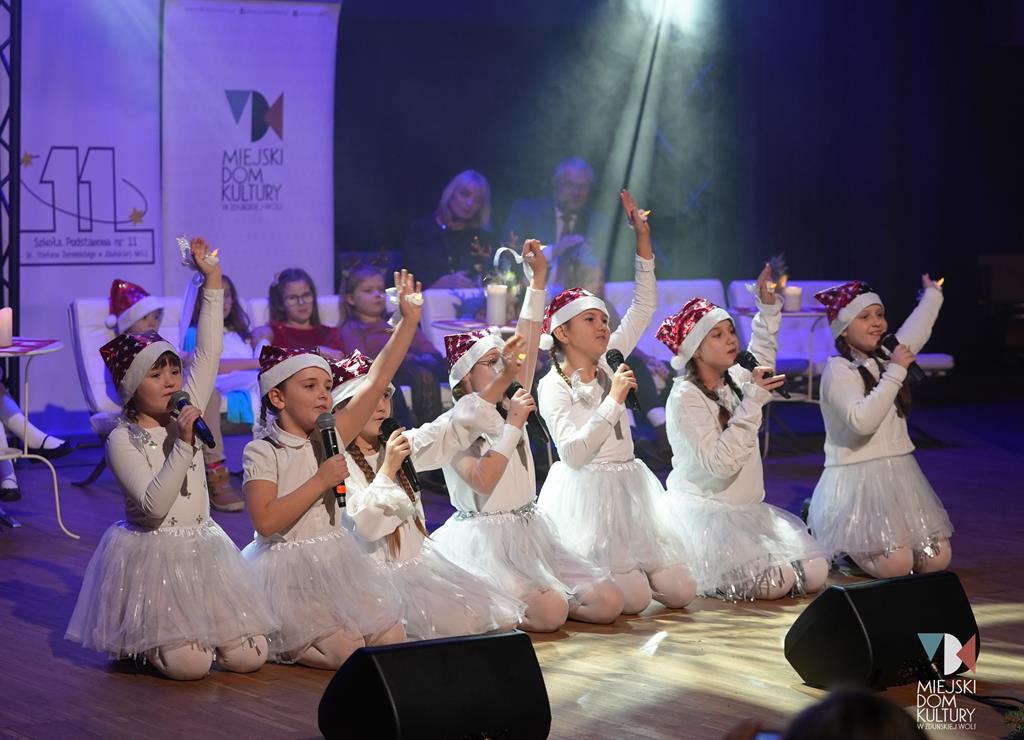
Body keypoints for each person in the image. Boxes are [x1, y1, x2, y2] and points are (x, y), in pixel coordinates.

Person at [66, 239, 276, 681]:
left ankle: (201, 627)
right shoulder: (122, 438)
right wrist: (183, 443)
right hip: (156, 557)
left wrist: (211, 280)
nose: (170, 381)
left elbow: (209, 352)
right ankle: (142, 642)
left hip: (203, 547)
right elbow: (154, 507)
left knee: (250, 656)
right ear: (130, 386)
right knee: (191, 667)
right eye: (155, 374)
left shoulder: (186, 403)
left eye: (173, 371)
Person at [431, 240, 624, 632]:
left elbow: (528, 339)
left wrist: (538, 280)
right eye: (491, 363)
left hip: (529, 530)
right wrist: (512, 427)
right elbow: (482, 481)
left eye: (503, 362)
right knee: (550, 613)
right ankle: (516, 604)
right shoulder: (455, 424)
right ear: (465, 379)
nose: (503, 368)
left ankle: (545, 599)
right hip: (487, 540)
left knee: (609, 601)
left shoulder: (511, 401)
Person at [240, 270, 423, 669]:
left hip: (333, 560)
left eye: (326, 386)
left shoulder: (331, 434)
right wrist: (320, 480)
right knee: (349, 652)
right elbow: (266, 521)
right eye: (310, 386)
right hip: (288, 570)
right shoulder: (263, 450)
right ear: (277, 397)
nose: (324, 394)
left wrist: (407, 322)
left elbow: (377, 379)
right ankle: (283, 640)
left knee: (393, 635)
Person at [535, 190, 696, 615]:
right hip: (587, 494)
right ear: (563, 333)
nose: (604, 327)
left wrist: (642, 238)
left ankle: (628, 575)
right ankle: (571, 593)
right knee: (632, 599)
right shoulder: (552, 385)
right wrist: (612, 401)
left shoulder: (610, 358)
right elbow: (573, 455)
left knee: (681, 590)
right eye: (590, 319)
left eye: (605, 319)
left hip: (628, 485)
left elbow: (644, 305)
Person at [655, 267, 829, 601]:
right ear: (695, 349)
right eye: (717, 335)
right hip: (711, 515)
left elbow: (760, 356)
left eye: (731, 331)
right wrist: (753, 402)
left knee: (816, 571)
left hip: (748, 511)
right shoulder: (685, 397)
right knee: (776, 582)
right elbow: (721, 464)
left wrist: (767, 309)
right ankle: (715, 575)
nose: (731, 340)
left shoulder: (734, 377)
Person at [330, 350, 525, 640]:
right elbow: (366, 526)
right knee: (448, 628)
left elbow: (449, 428)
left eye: (385, 396)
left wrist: (505, 377)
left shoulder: (399, 444)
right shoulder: (337, 463)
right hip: (375, 580)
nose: (380, 406)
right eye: (369, 399)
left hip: (415, 571)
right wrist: (388, 469)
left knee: (501, 617)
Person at [808, 277, 952, 578]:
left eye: (880, 314)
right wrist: (896, 371)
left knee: (936, 560)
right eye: (865, 317)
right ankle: (842, 539)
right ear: (844, 329)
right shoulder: (839, 370)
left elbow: (918, 327)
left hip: (898, 472)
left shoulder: (887, 356)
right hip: (857, 481)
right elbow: (862, 422)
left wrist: (932, 294)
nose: (877, 323)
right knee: (897, 566)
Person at [338, 263, 446, 425]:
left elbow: (425, 346)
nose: (378, 295)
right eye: (368, 290)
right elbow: (363, 362)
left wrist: (431, 356)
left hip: (417, 364)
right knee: (419, 377)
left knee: (439, 366)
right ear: (351, 299)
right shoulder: (352, 328)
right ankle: (411, 429)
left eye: (381, 290)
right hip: (385, 371)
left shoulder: (398, 319)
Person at [503, 157, 609, 290]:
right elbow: (509, 258)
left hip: (577, 298)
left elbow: (608, 270)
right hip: (530, 294)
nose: (576, 192)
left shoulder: (598, 224)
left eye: (583, 187)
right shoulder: (526, 212)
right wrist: (553, 250)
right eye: (570, 185)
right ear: (555, 184)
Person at [402, 169, 494, 289]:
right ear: (451, 194)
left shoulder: (481, 238)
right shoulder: (420, 230)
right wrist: (439, 285)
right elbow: (408, 280)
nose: (470, 203)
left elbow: (491, 276)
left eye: (477, 201)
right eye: (465, 194)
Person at [252, 267, 346, 360]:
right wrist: (314, 352)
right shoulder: (272, 333)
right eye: (292, 298)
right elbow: (263, 359)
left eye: (306, 295)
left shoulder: (331, 333)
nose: (301, 302)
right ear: (281, 304)